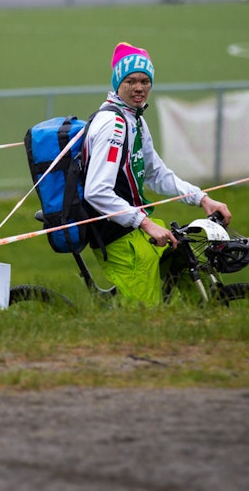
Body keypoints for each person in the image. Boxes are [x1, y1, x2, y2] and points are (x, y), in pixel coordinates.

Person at [82, 42, 231, 306]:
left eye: (145, 81)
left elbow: (157, 173)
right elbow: (96, 191)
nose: (139, 88)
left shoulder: (135, 119)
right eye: (130, 81)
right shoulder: (113, 125)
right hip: (116, 237)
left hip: (135, 229)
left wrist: (202, 199)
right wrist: (144, 222)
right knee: (147, 319)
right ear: (118, 83)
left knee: (184, 262)